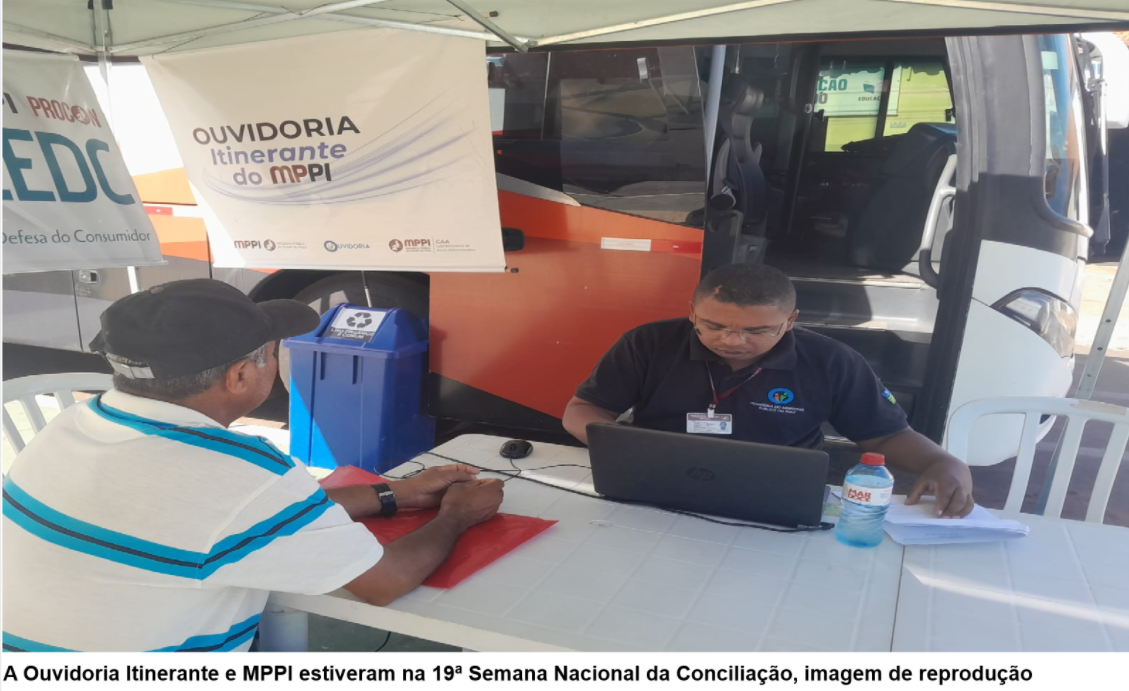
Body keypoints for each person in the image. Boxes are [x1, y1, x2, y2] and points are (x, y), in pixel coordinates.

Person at [2, 279, 502, 652]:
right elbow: (384, 580)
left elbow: (236, 516)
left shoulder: (74, 423)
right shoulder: (243, 473)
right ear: (240, 375)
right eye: (272, 351)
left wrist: (397, 493)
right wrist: (457, 514)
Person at [562, 264, 974, 518]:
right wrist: (625, 446)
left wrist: (941, 461)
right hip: (654, 483)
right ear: (692, 312)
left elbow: (884, 435)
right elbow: (583, 409)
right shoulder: (649, 343)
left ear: (790, 320)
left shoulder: (832, 360)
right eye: (713, 326)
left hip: (773, 497)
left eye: (757, 330)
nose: (732, 341)